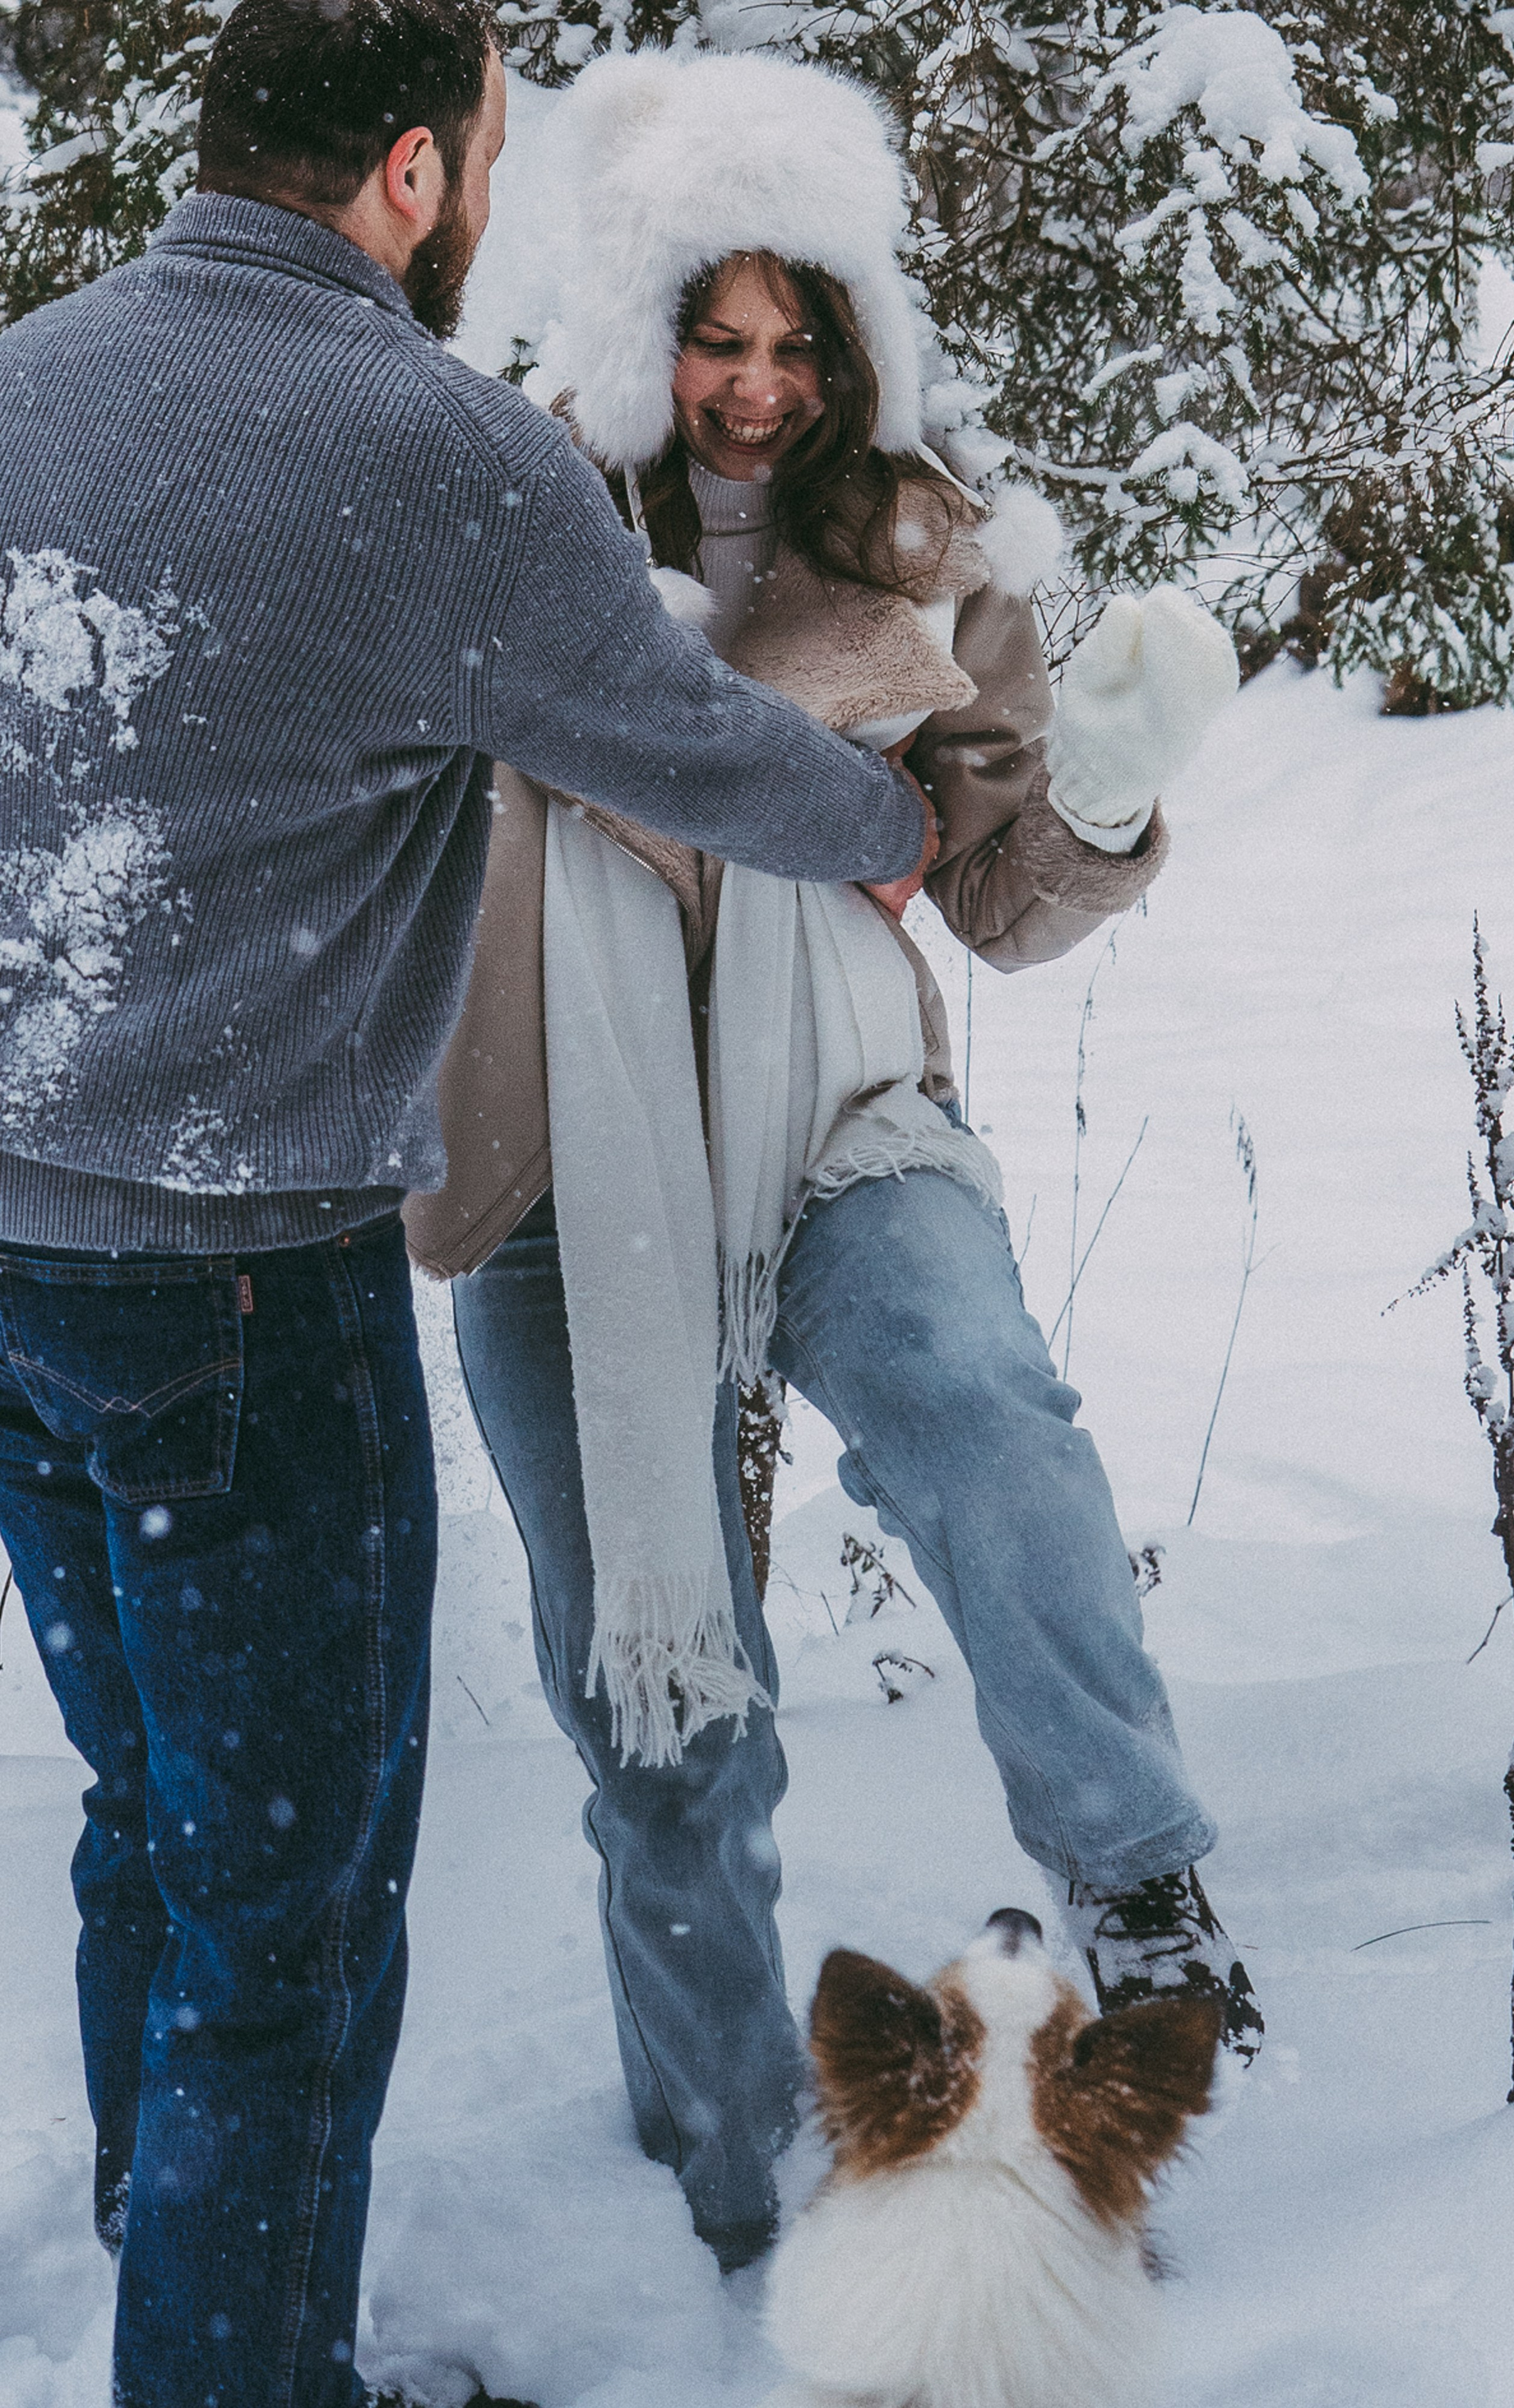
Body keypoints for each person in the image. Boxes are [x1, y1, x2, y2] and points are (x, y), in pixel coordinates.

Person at [0, 3, 929, 2400]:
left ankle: (165, 2240)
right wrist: (891, 818)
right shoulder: (436, 453)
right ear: (413, 172)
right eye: (488, 156)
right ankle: (231, 2368)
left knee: (156, 1811)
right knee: (289, 1915)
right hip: (237, 1298)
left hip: (14, 1266)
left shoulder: (25, 384)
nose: (489, 201)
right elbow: (687, 739)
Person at [405, 48, 1261, 2279]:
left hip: (843, 1124)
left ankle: (1139, 1877)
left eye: (799, 341)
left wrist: (1099, 796)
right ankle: (730, 2188)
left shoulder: (924, 554)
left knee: (981, 1410)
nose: (758, 386)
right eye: (716, 333)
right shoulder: (507, 523)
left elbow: (995, 901)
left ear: (857, 342)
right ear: (641, 328)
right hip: (568, 1158)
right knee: (666, 1717)